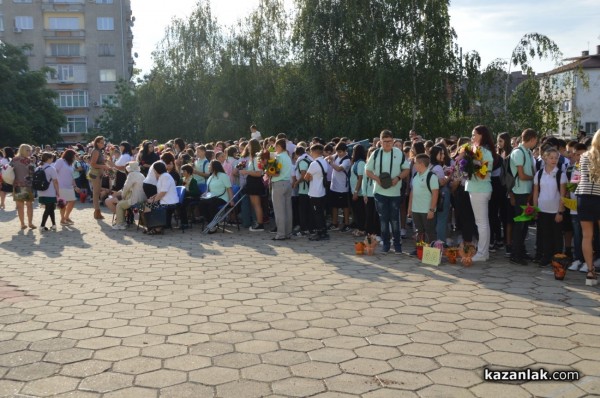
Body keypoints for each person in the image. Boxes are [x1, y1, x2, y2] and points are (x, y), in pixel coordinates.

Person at [365, 130, 410, 254]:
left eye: (390, 141)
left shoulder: (398, 153)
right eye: (385, 142)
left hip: (395, 192)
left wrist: (398, 178)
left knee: (395, 220)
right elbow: (367, 170)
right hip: (379, 192)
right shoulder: (375, 153)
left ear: (393, 140)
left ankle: (397, 244)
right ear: (380, 142)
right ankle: (385, 244)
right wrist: (377, 179)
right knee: (383, 220)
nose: (387, 144)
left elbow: (406, 169)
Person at [465, 125, 496, 262]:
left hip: (480, 189)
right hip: (477, 188)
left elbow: (484, 171)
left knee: (482, 223)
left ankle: (483, 253)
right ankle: (484, 252)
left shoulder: (484, 151)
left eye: (474, 134)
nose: (472, 137)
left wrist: (471, 165)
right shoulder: (476, 150)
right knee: (482, 222)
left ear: (482, 135)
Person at [532, 147, 567, 268]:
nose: (554, 160)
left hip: (555, 210)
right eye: (551, 157)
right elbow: (536, 192)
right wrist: (535, 209)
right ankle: (546, 256)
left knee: (557, 236)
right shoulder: (539, 173)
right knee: (545, 235)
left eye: (556, 158)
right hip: (543, 210)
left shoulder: (560, 174)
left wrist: (560, 212)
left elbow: (563, 195)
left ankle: (557, 259)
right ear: (545, 158)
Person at [574, 130, 600, 286]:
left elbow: (580, 178)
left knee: (587, 236)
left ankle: (590, 272)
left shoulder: (583, 157)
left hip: (583, 197)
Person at [509, 128, 538, 266]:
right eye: (535, 140)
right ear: (532, 139)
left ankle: (521, 251)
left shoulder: (528, 152)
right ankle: (515, 254)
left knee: (525, 224)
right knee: (519, 225)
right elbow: (521, 175)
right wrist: (535, 178)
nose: (535, 143)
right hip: (519, 192)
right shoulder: (518, 152)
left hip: (527, 192)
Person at [408, 154, 439, 245]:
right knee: (419, 231)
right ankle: (419, 249)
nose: (413, 165)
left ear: (421, 164)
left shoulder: (431, 176)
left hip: (426, 210)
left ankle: (430, 251)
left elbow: (435, 193)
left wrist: (431, 209)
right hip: (416, 209)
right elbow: (412, 192)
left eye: (415, 163)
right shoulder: (415, 175)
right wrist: (410, 207)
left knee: (429, 232)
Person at [200, 160, 234, 233]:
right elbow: (208, 190)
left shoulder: (223, 176)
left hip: (222, 198)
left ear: (214, 167)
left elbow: (229, 188)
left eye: (210, 165)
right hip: (212, 198)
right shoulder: (211, 177)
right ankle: (210, 222)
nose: (208, 167)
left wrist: (231, 200)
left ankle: (213, 225)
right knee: (202, 203)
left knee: (211, 204)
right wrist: (204, 195)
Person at [144, 162, 178, 235]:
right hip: (165, 201)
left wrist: (153, 201)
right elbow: (161, 191)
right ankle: (151, 226)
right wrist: (154, 196)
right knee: (147, 205)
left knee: (149, 205)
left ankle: (156, 228)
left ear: (156, 170)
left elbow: (163, 192)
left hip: (169, 202)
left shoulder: (165, 177)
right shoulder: (162, 176)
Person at [240, 139, 266, 232]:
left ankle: (260, 224)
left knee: (257, 204)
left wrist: (246, 171)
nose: (248, 147)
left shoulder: (255, 158)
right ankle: (258, 222)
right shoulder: (252, 158)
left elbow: (259, 173)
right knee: (254, 204)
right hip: (252, 181)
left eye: (249, 145)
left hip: (255, 181)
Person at [111, 161, 147, 230]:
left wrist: (123, 196)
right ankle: (123, 222)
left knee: (119, 205)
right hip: (142, 199)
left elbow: (126, 187)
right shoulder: (141, 175)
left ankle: (120, 224)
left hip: (135, 200)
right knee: (123, 203)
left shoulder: (132, 175)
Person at [304, 144, 329, 241]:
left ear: (314, 152)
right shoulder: (324, 161)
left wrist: (310, 177)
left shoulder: (314, 164)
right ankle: (323, 231)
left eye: (311, 151)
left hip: (315, 192)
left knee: (316, 213)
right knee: (321, 213)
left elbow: (306, 177)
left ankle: (319, 232)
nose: (310, 153)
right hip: (322, 191)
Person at [270, 138, 293, 240]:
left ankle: (280, 234)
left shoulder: (279, 157)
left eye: (275, 147)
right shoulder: (287, 156)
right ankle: (288, 232)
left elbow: (275, 172)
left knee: (279, 210)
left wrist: (267, 171)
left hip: (279, 184)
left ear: (279, 146)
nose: (275, 149)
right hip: (287, 183)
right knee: (288, 210)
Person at [327, 142, 352, 232]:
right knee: (334, 206)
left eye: (340, 152)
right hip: (334, 186)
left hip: (342, 187)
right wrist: (328, 157)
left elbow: (339, 169)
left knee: (345, 206)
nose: (338, 153)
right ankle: (335, 223)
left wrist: (330, 163)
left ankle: (347, 224)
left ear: (345, 151)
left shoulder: (347, 160)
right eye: (337, 152)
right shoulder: (336, 155)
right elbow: (328, 157)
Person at [11, 144, 36, 229]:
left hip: (17, 184)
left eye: (30, 150)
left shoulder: (13, 160)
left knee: (20, 206)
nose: (30, 152)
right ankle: (29, 223)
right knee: (28, 205)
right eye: (28, 150)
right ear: (23, 151)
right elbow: (32, 173)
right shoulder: (29, 161)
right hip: (26, 184)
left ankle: (23, 224)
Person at [54, 149, 80, 225]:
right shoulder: (61, 161)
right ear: (70, 155)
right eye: (74, 156)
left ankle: (66, 217)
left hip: (69, 186)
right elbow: (54, 171)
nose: (75, 157)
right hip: (61, 186)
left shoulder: (70, 164)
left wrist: (75, 186)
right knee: (62, 203)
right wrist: (55, 184)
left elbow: (71, 176)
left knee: (72, 201)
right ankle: (62, 220)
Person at [292, 146, 313, 237]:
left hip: (304, 189)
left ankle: (304, 229)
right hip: (309, 188)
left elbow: (303, 175)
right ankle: (309, 228)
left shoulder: (302, 161)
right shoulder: (308, 158)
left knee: (303, 210)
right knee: (308, 210)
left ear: (296, 154)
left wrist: (296, 183)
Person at [89, 136, 112, 220]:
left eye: (104, 142)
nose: (103, 143)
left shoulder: (99, 151)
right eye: (101, 142)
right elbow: (92, 164)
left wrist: (104, 163)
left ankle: (97, 212)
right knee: (96, 193)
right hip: (95, 173)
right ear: (97, 143)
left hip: (98, 173)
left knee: (97, 192)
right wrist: (104, 166)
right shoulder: (96, 151)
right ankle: (97, 212)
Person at [37, 152, 60, 231]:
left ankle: (54, 225)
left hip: (41, 191)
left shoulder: (38, 168)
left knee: (50, 208)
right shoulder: (51, 168)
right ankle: (42, 226)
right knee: (48, 209)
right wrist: (58, 191)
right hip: (50, 192)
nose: (53, 159)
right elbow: (55, 181)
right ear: (48, 159)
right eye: (52, 158)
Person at [350, 144, 367, 236]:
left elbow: (360, 178)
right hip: (354, 191)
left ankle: (362, 229)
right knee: (356, 211)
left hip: (359, 193)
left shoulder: (360, 163)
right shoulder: (356, 162)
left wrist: (356, 191)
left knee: (360, 212)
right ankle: (359, 227)